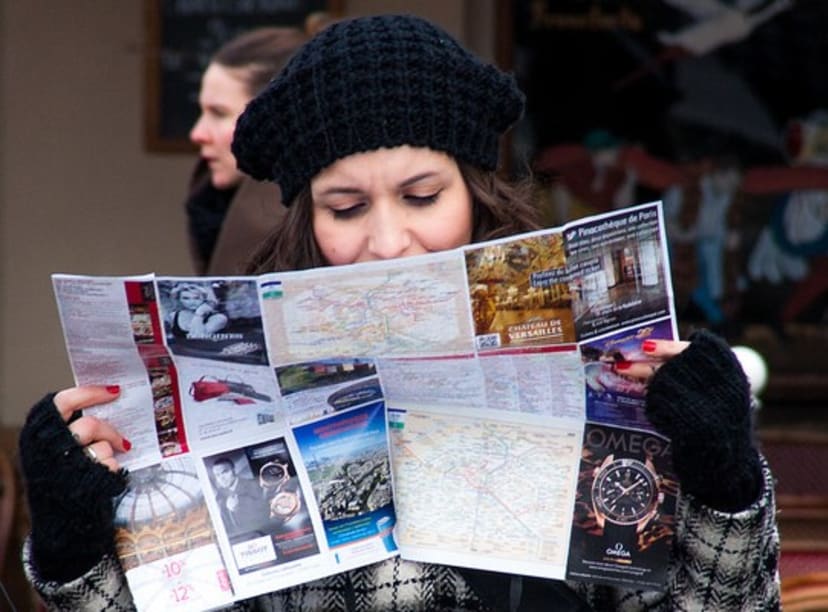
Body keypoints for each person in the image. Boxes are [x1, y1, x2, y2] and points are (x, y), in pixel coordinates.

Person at [19, 14, 779, 611]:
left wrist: (724, 483)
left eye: (422, 197)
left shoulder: (603, 373)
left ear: (477, 196)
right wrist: (72, 543)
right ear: (305, 223)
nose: (389, 242)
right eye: (345, 207)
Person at [186, 26, 307, 275]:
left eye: (218, 113)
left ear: (271, 118)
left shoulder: (297, 224)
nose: (197, 133)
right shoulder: (211, 205)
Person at [210, 457, 270, 537]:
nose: (221, 478)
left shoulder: (254, 485)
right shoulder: (219, 496)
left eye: (225, 472)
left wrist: (237, 507)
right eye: (217, 475)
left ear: (233, 471)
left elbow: (265, 513)